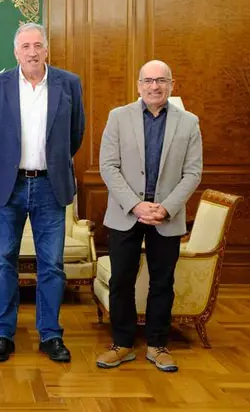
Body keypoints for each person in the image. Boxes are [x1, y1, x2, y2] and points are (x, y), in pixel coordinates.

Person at [0, 22, 85, 363]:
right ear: (16, 52)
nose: (32, 52)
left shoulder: (69, 84)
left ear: (47, 49)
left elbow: (76, 133)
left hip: (51, 187)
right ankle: (3, 335)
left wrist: (52, 162)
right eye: (25, 46)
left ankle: (50, 335)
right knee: (3, 262)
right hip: (8, 187)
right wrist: (6, 163)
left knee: (51, 264)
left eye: (38, 45)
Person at [97, 59, 202, 373]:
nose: (154, 86)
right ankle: (122, 343)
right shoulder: (118, 117)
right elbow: (108, 166)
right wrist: (135, 205)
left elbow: (193, 173)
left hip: (166, 216)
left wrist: (166, 208)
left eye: (161, 80)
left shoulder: (188, 122)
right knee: (121, 280)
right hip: (126, 213)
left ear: (172, 84)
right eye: (148, 81)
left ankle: (158, 345)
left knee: (163, 282)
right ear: (138, 85)